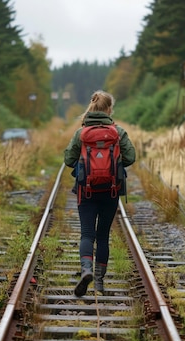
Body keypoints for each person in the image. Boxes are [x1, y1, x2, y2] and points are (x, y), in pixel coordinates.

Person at [64, 90, 136, 297]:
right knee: (103, 235)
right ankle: (99, 283)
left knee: (87, 233)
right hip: (111, 191)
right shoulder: (118, 131)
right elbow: (131, 157)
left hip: (86, 191)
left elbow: (69, 160)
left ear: (92, 106)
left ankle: (86, 270)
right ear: (109, 109)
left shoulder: (81, 133)